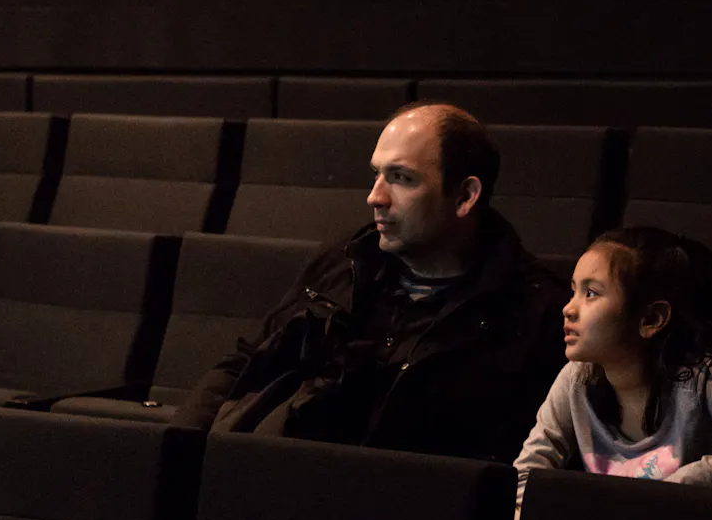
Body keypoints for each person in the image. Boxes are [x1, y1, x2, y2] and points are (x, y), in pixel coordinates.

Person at [174, 102, 568, 463]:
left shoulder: (535, 311)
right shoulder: (343, 261)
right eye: (376, 174)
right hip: (288, 484)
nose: (375, 197)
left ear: (465, 195)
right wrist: (178, 449)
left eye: (401, 178)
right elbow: (250, 360)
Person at [513, 226, 712, 520]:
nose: (568, 308)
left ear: (651, 319)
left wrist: (689, 478)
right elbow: (528, 473)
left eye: (591, 294)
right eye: (574, 291)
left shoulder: (700, 381)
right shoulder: (577, 378)